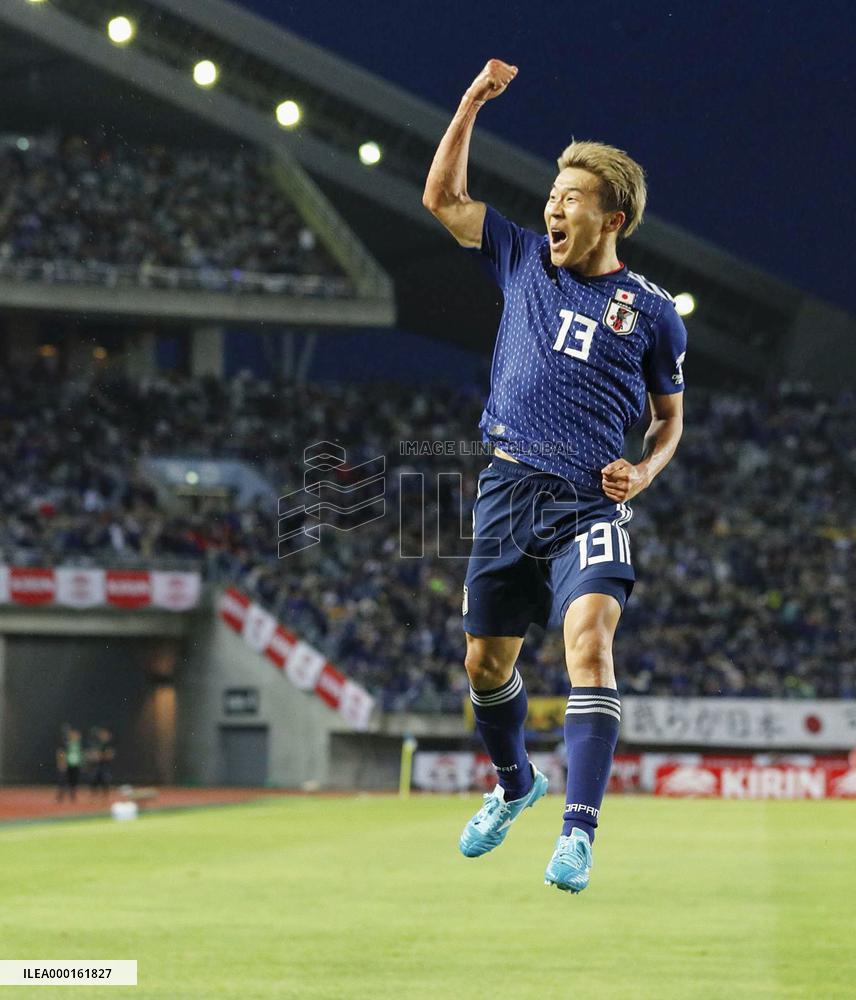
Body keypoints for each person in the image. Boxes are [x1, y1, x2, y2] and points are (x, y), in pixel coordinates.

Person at [423, 59, 686, 893]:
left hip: (586, 500)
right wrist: (469, 104)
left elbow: (672, 419)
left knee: (590, 643)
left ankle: (578, 832)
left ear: (613, 217)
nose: (552, 207)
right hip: (507, 489)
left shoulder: (652, 312)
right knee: (483, 665)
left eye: (570, 199)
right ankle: (515, 785)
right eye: (551, 195)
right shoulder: (523, 260)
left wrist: (643, 471)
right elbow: (442, 200)